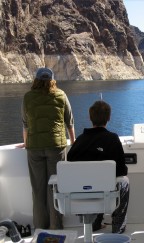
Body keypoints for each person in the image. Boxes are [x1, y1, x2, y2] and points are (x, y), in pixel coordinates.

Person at [21, 67, 75, 229]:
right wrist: (73, 142)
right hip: (55, 147)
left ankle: (40, 228)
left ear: (36, 80)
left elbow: (25, 124)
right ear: (52, 80)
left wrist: (26, 142)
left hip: (34, 148)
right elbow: (69, 123)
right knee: (56, 189)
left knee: (38, 190)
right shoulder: (61, 95)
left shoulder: (28, 97)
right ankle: (56, 228)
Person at [67, 100, 129, 234]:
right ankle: (118, 228)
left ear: (90, 118)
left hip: (80, 195)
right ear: (109, 118)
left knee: (93, 183)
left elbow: (70, 164)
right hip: (106, 195)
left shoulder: (79, 141)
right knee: (124, 182)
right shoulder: (112, 139)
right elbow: (122, 170)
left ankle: (94, 224)